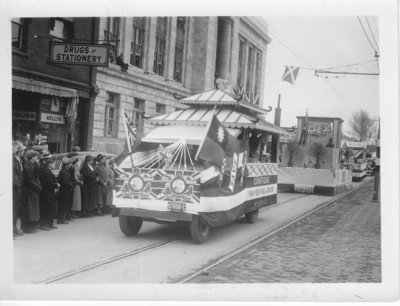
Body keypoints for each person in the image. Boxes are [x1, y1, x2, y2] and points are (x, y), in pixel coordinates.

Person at [21, 150, 42, 233]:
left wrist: (38, 185)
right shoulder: (27, 166)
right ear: (32, 157)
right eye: (36, 156)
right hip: (29, 190)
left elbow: (37, 176)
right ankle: (28, 228)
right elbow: (29, 180)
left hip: (33, 190)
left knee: (33, 210)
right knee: (29, 210)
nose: (37, 158)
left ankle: (31, 226)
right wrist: (37, 186)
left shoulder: (32, 165)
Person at [38, 155, 59, 230]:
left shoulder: (48, 171)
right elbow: (49, 182)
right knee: (46, 208)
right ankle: (44, 224)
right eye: (53, 163)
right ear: (49, 164)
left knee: (50, 208)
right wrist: (56, 185)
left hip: (48, 192)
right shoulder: (47, 172)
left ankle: (49, 223)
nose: (54, 165)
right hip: (47, 193)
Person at [13, 142, 26, 238]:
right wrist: (19, 185)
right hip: (15, 189)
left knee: (16, 210)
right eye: (22, 150)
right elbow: (13, 177)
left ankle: (14, 229)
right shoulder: (14, 162)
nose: (24, 152)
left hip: (19, 189)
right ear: (19, 151)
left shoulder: (19, 161)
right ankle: (13, 230)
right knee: (13, 210)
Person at [57, 157, 74, 224]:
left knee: (64, 205)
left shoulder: (65, 170)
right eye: (70, 164)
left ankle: (62, 218)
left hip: (65, 190)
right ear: (67, 164)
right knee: (63, 205)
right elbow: (65, 181)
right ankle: (61, 219)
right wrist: (71, 184)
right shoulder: (64, 171)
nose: (71, 165)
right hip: (64, 190)